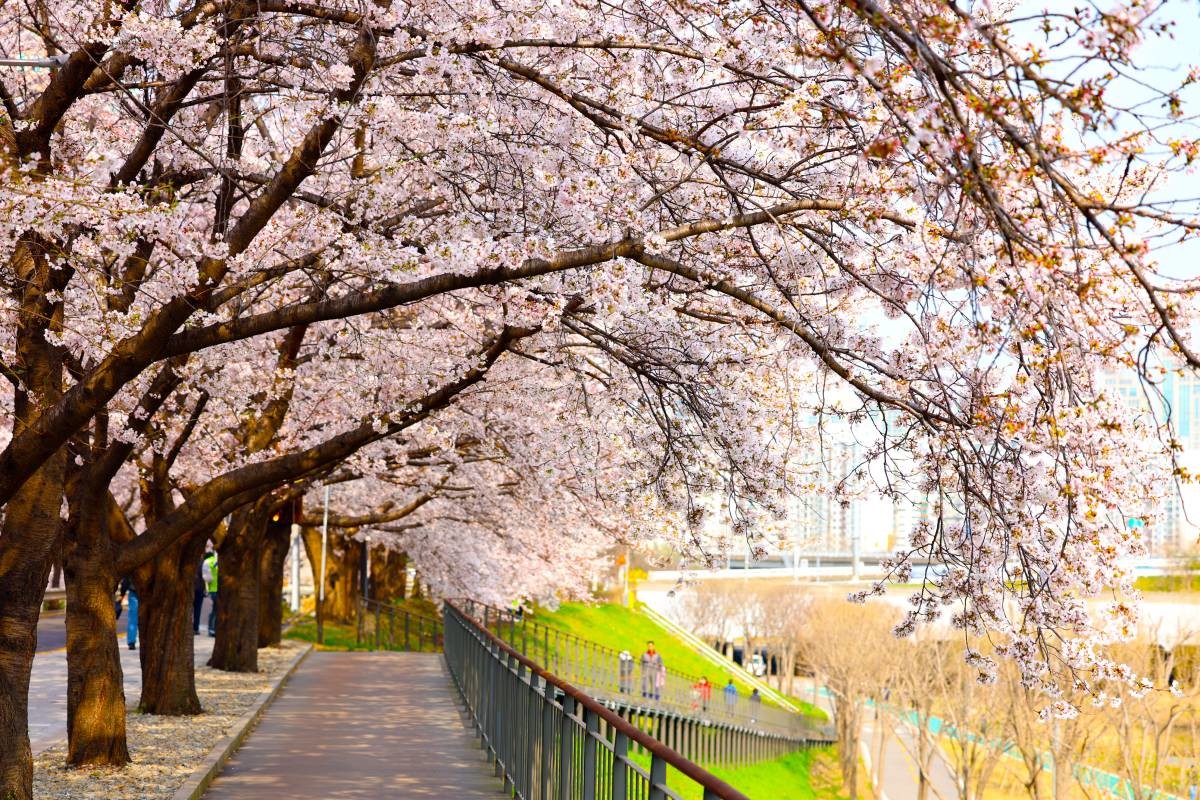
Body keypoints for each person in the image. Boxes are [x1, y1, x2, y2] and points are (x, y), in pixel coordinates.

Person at [116, 577, 138, 651]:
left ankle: (131, 642)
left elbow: (126, 580)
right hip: (147, 591)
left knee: (133, 618)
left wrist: (122, 594)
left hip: (134, 592)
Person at [202, 551, 219, 636]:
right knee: (216, 609)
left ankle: (212, 629)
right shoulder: (214, 561)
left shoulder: (208, 561)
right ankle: (212, 629)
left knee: (215, 609)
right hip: (217, 588)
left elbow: (207, 578)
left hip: (213, 588)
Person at [192, 557, 207, 635]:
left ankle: (190, 627)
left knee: (189, 609)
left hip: (192, 588)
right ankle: (195, 628)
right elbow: (205, 577)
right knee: (197, 609)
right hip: (199, 588)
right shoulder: (203, 562)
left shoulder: (190, 559)